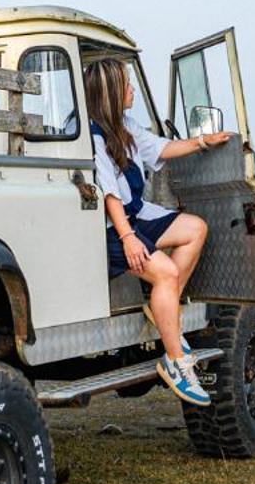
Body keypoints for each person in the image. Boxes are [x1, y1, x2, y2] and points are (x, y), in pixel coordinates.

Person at [83, 58, 234, 406]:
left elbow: (161, 148)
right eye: (128, 84)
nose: (132, 89)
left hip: (135, 214)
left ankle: (162, 308)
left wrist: (203, 142)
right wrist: (128, 237)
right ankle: (176, 361)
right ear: (110, 92)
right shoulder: (91, 135)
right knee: (164, 273)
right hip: (109, 228)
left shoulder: (124, 124)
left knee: (194, 228)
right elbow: (108, 194)